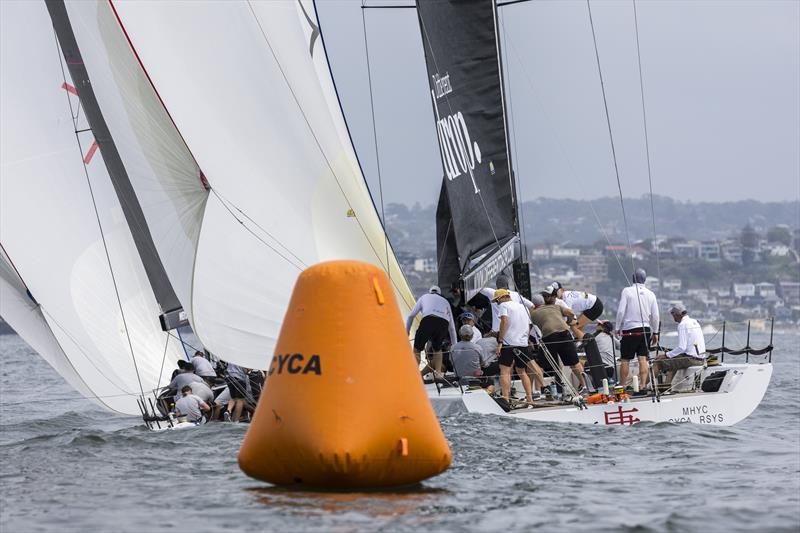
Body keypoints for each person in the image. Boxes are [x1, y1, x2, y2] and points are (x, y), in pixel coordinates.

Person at [530, 289, 587, 393]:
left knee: (541, 365)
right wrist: (569, 321)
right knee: (574, 362)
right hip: (565, 334)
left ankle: (538, 391)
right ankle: (585, 386)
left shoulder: (533, 314)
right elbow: (570, 312)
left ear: (534, 304)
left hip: (549, 337)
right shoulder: (556, 307)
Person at [493, 289, 540, 405]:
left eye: (496, 301)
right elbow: (529, 326)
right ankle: (530, 399)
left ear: (501, 298)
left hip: (508, 343)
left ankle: (506, 399)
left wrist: (500, 341)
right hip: (522, 343)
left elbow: (504, 321)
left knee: (505, 371)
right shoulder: (523, 306)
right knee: (522, 371)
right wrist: (525, 338)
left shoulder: (504, 305)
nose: (497, 303)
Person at [616, 268, 660, 391]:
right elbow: (655, 316)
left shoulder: (627, 291)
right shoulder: (651, 294)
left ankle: (622, 385)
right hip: (646, 329)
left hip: (630, 329)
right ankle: (642, 386)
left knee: (625, 359)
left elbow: (620, 311)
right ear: (645, 279)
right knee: (643, 359)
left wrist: (617, 327)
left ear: (633, 278)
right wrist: (655, 332)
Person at [405, 286, 457, 376]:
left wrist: (407, 332)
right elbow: (451, 327)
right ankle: (438, 374)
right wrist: (455, 345)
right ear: (439, 293)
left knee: (417, 349)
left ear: (430, 292)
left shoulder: (424, 297)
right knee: (437, 349)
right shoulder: (445, 301)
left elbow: (411, 316)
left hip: (428, 320)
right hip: (443, 323)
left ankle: (414, 375)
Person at [653, 304, 706, 385]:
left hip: (692, 359)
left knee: (657, 362)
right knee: (673, 360)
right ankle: (666, 386)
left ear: (677, 314)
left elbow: (682, 347)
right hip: (701, 359)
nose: (672, 317)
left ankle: (647, 387)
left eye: (672, 314)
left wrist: (666, 355)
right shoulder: (694, 321)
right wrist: (670, 355)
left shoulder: (682, 324)